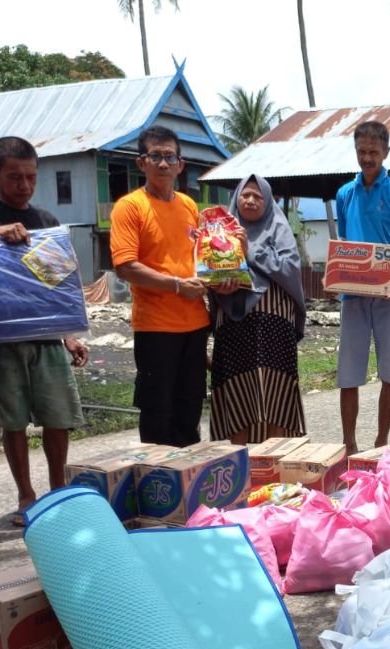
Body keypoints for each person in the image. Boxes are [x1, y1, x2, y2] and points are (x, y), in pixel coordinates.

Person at [0, 137, 90, 526]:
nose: (24, 185)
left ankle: (59, 491)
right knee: (13, 421)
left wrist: (69, 334)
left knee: (57, 416)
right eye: (14, 177)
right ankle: (27, 496)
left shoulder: (46, 222)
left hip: (46, 340)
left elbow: (58, 285)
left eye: (30, 177)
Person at [110, 125, 209, 447]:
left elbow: (200, 257)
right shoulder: (129, 206)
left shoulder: (189, 206)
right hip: (155, 327)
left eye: (170, 157)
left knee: (190, 408)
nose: (164, 164)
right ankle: (158, 490)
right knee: (157, 413)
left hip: (195, 324)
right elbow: (125, 266)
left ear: (181, 164)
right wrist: (178, 286)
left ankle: (188, 488)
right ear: (142, 163)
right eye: (156, 156)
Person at [334, 120, 390, 453]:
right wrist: (339, 272)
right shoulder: (344, 194)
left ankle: (382, 441)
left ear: (386, 152)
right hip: (353, 293)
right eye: (362, 151)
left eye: (374, 152)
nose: (367, 158)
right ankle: (349, 443)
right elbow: (343, 244)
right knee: (349, 372)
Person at [207, 175, 307, 443]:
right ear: (236, 199)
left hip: (274, 324)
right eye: (245, 195)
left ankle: (273, 469)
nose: (250, 200)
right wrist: (218, 285)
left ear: (267, 200)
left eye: (258, 196)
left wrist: (250, 250)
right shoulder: (218, 231)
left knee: (275, 394)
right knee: (238, 391)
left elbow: (290, 268)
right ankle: (240, 466)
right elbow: (207, 272)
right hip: (233, 324)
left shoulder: (279, 228)